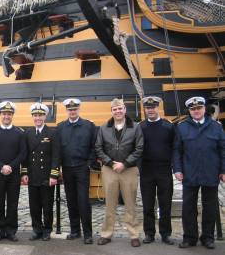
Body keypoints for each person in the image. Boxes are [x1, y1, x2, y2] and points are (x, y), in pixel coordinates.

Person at [174, 96, 225, 250]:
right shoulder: (182, 127)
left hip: (211, 172)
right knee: (188, 207)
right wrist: (177, 169)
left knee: (210, 207)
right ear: (189, 111)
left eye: (199, 108)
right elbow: (176, 150)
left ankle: (208, 237)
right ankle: (190, 237)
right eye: (193, 109)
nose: (196, 111)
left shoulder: (216, 126)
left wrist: (223, 170)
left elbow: (223, 150)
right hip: (190, 172)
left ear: (204, 109)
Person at [95, 98, 143, 247]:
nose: (118, 111)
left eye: (120, 108)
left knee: (130, 203)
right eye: (115, 109)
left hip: (129, 169)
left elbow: (139, 148)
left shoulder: (135, 127)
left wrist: (125, 163)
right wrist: (110, 162)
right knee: (110, 204)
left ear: (124, 109)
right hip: (109, 169)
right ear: (111, 111)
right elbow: (98, 148)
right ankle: (107, 233)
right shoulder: (103, 128)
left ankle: (134, 234)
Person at [57, 98, 96, 244]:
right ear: (66, 110)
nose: (72, 112)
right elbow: (58, 149)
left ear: (79, 109)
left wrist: (89, 163)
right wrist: (58, 168)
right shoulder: (61, 127)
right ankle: (75, 230)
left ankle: (87, 233)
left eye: (75, 109)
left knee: (83, 201)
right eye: (70, 109)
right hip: (67, 168)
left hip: (82, 167)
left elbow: (94, 146)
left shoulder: (88, 126)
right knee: (71, 200)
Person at [0, 101, 26, 242]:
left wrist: (11, 166)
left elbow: (22, 153)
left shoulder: (19, 133)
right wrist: (2, 166)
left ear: (12, 115)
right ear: (0, 115)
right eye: (4, 114)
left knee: (12, 204)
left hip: (14, 173)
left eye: (9, 114)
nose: (6, 116)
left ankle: (11, 231)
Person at [21, 103, 60, 241]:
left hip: (47, 176)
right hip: (32, 175)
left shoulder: (52, 133)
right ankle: (37, 229)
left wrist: (54, 174)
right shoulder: (28, 133)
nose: (38, 118)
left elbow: (56, 155)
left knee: (47, 205)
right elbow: (25, 155)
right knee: (34, 206)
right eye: (35, 115)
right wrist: (24, 173)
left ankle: (47, 230)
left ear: (45, 116)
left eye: (40, 115)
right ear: (32, 116)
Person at [139, 96, 175, 245]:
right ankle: (149, 233)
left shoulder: (168, 126)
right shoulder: (140, 127)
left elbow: (175, 147)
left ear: (158, 107)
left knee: (165, 203)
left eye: (153, 107)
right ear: (145, 109)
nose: (151, 110)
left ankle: (166, 233)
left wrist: (174, 166)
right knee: (147, 204)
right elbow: (136, 148)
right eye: (148, 108)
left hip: (164, 169)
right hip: (146, 170)